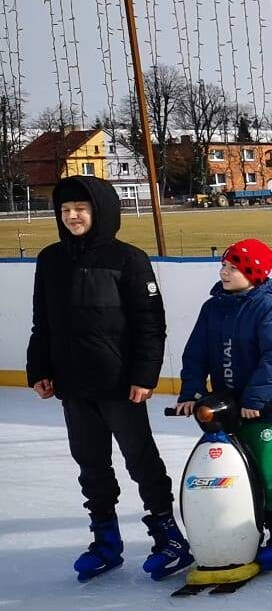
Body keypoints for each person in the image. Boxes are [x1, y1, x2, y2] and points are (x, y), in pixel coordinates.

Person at [28, 176, 177, 582]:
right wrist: (39, 368)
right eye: (65, 210)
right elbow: (43, 320)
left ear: (101, 211)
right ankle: (105, 540)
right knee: (91, 465)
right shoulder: (51, 259)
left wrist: (145, 374)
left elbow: (150, 323)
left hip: (119, 384)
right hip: (73, 385)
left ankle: (168, 535)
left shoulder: (129, 259)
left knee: (141, 461)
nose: (72, 215)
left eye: (81, 208)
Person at [175, 239, 272, 571]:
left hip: (265, 411)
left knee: (271, 471)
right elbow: (195, 353)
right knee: (239, 473)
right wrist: (191, 391)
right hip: (228, 410)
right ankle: (247, 529)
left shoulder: (268, 308)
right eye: (224, 266)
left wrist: (254, 399)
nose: (224, 272)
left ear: (254, 273)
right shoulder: (212, 308)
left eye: (233, 267)